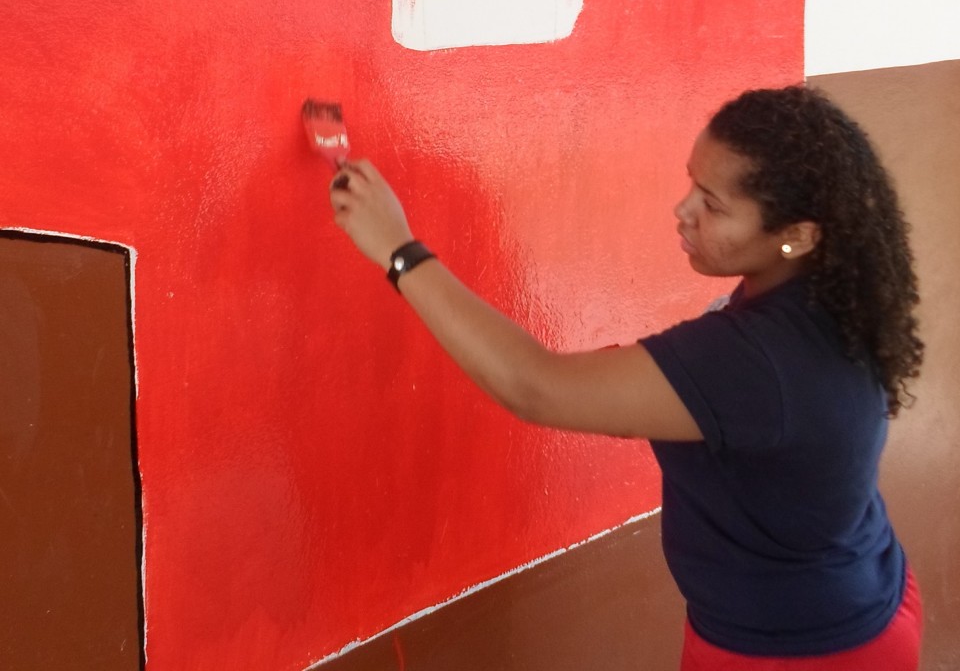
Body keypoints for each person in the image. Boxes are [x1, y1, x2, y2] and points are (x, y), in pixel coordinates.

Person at [328, 85, 924, 669]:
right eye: (692, 182)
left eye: (713, 205)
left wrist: (398, 249)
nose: (684, 210)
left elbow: (536, 388)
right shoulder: (826, 294)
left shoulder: (762, 359)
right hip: (865, 593)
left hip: (797, 648)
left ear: (796, 236)